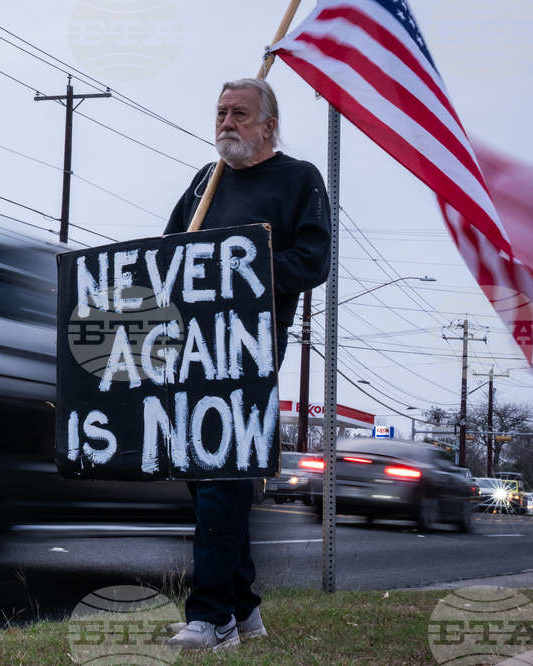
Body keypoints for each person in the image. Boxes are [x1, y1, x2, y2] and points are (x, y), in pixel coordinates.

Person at [164, 78, 332, 651]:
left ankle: (212, 617)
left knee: (222, 470)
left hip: (250, 344)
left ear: (268, 125)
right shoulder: (203, 184)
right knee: (201, 470)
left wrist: (241, 271)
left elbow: (312, 260)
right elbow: (169, 255)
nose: (226, 122)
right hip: (190, 346)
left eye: (239, 113)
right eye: (220, 112)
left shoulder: (299, 179)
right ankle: (244, 606)